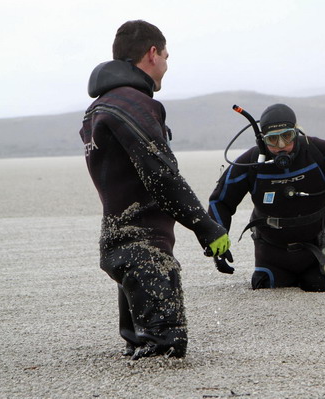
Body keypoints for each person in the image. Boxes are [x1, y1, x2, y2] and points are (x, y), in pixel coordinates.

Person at [79, 20, 231, 359]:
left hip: (119, 245)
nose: (166, 63)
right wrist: (206, 227)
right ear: (152, 54)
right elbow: (161, 175)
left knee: (140, 348)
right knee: (165, 351)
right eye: (165, 55)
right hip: (146, 254)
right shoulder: (133, 103)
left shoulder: (97, 110)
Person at [208, 103, 325, 291]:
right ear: (262, 139)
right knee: (267, 285)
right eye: (273, 140)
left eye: (287, 136)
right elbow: (221, 201)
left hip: (319, 249)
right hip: (271, 255)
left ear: (296, 131)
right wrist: (218, 246)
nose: (281, 146)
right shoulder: (249, 164)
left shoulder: (321, 152)